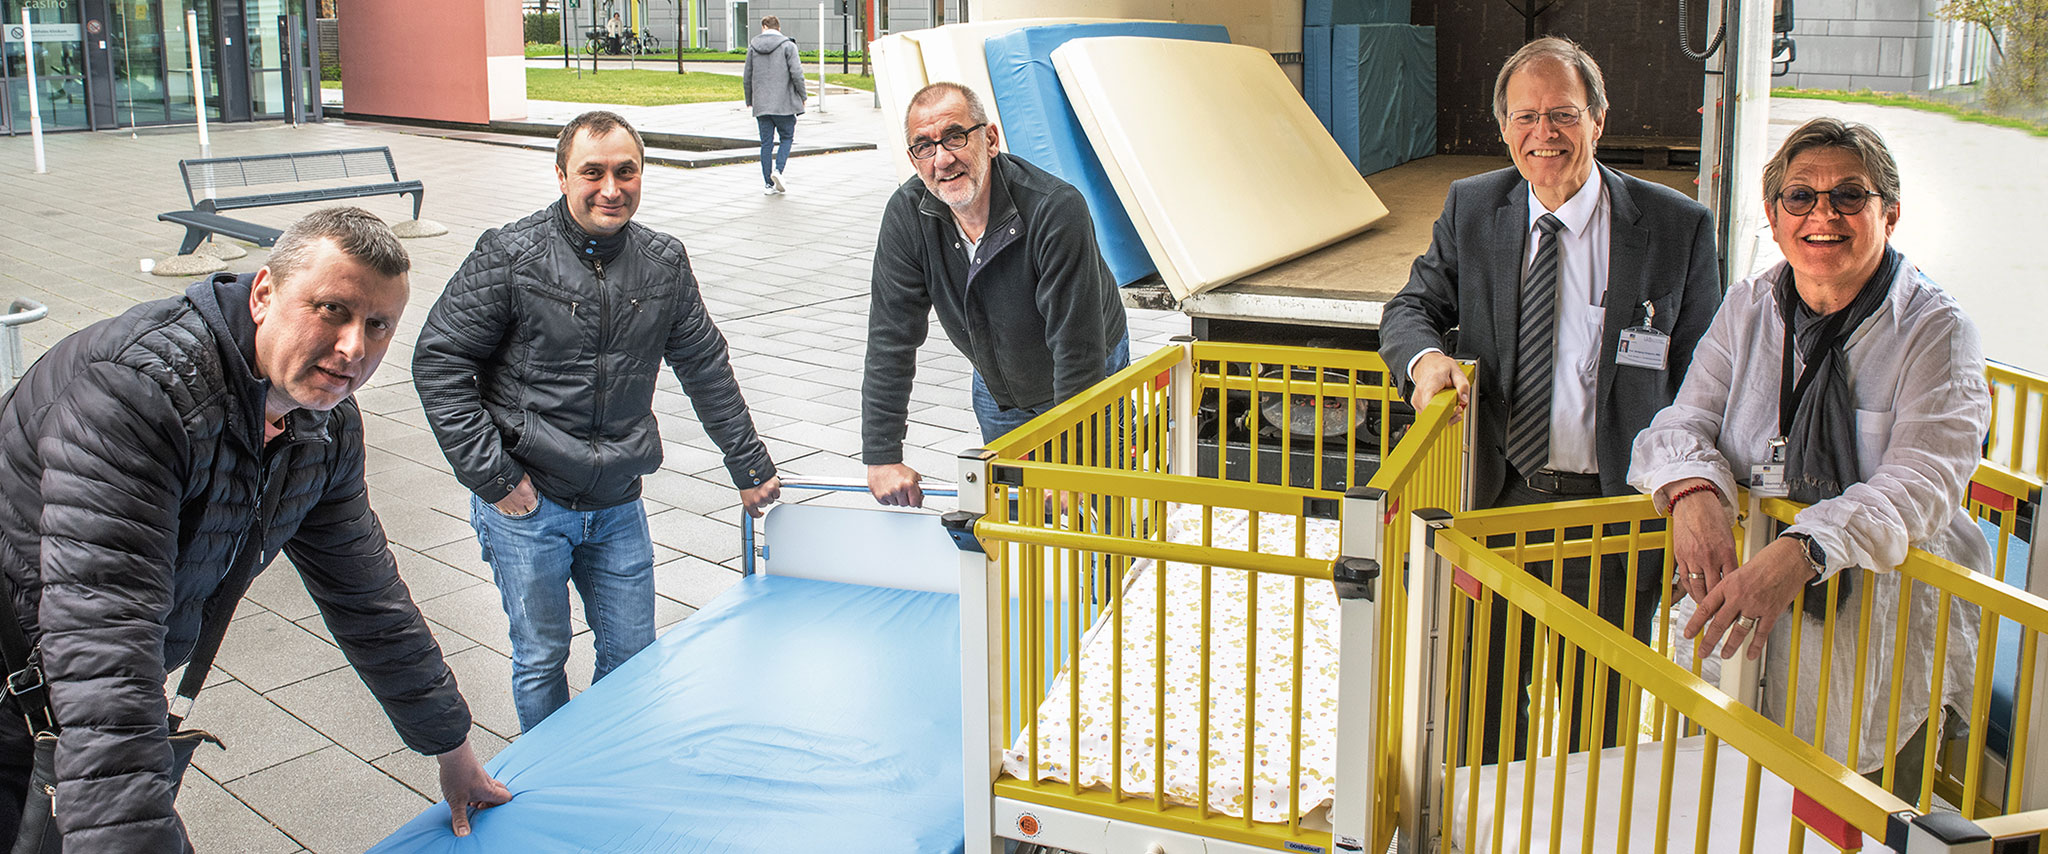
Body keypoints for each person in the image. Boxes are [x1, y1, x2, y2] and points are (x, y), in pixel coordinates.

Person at [0, 207, 508, 848]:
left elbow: (367, 595)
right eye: (331, 309)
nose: (354, 347)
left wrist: (452, 750)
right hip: (38, 668)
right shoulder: (138, 397)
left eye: (378, 325)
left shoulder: (322, 424)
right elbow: (106, 643)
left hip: (71, 683)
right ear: (265, 293)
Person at [1376, 37, 1722, 762]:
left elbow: (1704, 376)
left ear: (1598, 119)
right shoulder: (1474, 206)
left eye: (1562, 113)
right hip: (1498, 505)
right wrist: (1427, 359)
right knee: (1480, 714)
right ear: (1503, 127)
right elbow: (1410, 307)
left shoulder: (1674, 227)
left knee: (1600, 734)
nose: (1545, 135)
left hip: (1611, 516)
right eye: (1525, 117)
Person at [1630, 117, 1989, 785]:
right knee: (1720, 799)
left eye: (1849, 196)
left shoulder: (1937, 330)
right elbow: (1683, 421)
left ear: (1891, 213)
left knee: (1861, 806)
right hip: (1745, 612)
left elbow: (1924, 480)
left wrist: (1803, 549)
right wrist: (1692, 490)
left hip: (1880, 627)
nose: (1823, 214)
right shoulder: (1750, 304)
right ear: (1773, 215)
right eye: (1801, 197)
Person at [414, 110, 783, 733]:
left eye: (625, 172)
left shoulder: (663, 262)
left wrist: (748, 464)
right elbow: (440, 360)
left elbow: (705, 367)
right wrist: (497, 479)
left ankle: (611, 775)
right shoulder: (510, 254)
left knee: (632, 657)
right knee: (541, 657)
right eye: (593, 172)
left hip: (617, 500)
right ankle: (549, 791)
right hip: (528, 503)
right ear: (562, 176)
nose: (611, 188)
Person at [864, 82, 1131, 507]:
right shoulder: (908, 216)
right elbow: (890, 336)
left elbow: (1076, 348)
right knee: (1014, 508)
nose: (943, 159)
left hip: (1089, 367)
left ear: (989, 139)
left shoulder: (1055, 209)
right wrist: (882, 454)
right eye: (924, 147)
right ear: (914, 159)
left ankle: (1112, 570)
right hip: (998, 383)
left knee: (1097, 502)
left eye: (955, 136)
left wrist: (1072, 463)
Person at [744, 15, 806, 195]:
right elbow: (797, 74)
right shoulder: (788, 46)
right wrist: (803, 95)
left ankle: (767, 185)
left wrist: (750, 100)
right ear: (778, 28)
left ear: (764, 26)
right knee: (786, 138)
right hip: (784, 104)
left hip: (762, 105)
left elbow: (747, 76)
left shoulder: (753, 47)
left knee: (766, 143)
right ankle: (778, 170)